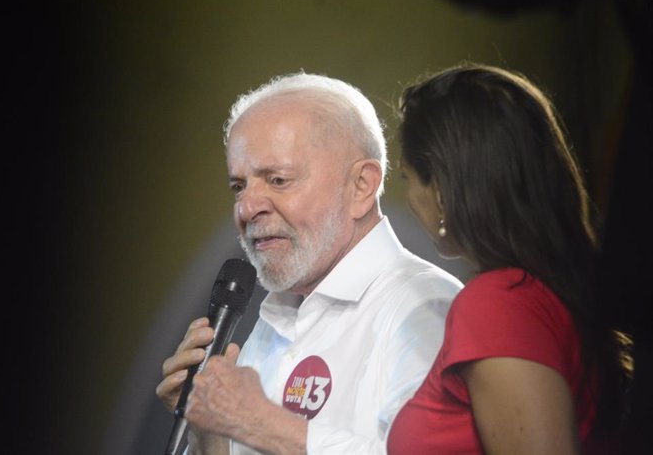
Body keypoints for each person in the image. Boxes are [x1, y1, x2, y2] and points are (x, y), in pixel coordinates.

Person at [155, 72, 463, 454]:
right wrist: (210, 435)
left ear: (361, 186)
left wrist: (264, 425)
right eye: (239, 187)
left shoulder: (425, 308)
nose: (247, 208)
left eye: (278, 180)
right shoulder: (272, 323)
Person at [386, 63, 633, 454]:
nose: (409, 199)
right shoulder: (544, 293)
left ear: (442, 189)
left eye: (407, 179)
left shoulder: (498, 303)